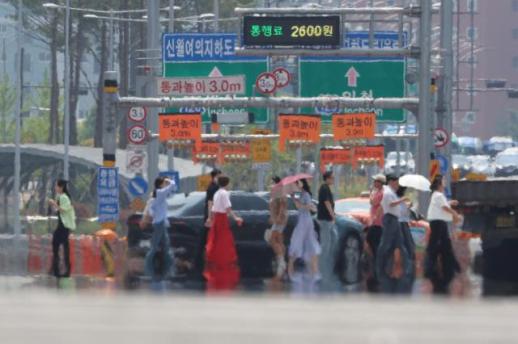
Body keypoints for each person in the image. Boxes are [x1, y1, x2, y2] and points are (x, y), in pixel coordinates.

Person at [425, 174, 461, 294]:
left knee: (445, 245)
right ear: (440, 184)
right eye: (444, 182)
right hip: (438, 223)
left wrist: (450, 202)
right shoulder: (438, 195)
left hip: (440, 222)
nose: (445, 184)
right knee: (434, 247)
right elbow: (444, 207)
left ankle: (452, 267)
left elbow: (443, 205)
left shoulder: (437, 195)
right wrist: (454, 213)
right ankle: (430, 270)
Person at [377, 174, 410, 293]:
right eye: (395, 182)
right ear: (390, 181)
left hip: (394, 220)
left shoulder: (391, 192)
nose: (397, 185)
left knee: (400, 244)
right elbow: (390, 205)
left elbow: (382, 206)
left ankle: (406, 268)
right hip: (390, 219)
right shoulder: (387, 192)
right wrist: (402, 199)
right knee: (385, 245)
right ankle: (379, 268)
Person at [205, 175, 243, 271]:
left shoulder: (217, 193)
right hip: (222, 219)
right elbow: (228, 209)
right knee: (225, 241)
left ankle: (216, 263)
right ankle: (224, 263)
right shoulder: (224, 193)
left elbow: (213, 209)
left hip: (217, 218)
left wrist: (211, 219)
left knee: (216, 241)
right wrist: (236, 218)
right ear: (227, 183)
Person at [288, 179, 321, 279]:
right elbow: (306, 207)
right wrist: (294, 198)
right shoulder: (302, 194)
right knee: (304, 244)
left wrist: (294, 199)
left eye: (298, 183)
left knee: (306, 245)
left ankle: (313, 272)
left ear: (302, 184)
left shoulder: (306, 194)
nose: (296, 185)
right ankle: (293, 271)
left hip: (305, 222)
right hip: (304, 221)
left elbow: (307, 207)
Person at [144, 176, 176, 280]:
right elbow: (173, 186)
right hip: (159, 223)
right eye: (163, 183)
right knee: (154, 247)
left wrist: (154, 214)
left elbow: (151, 208)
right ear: (160, 184)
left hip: (160, 222)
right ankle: (148, 269)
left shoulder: (157, 194)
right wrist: (169, 180)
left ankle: (168, 268)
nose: (165, 184)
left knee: (166, 246)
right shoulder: (160, 192)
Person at [48, 179, 76, 278]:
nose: (55, 188)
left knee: (60, 245)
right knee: (60, 246)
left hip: (64, 226)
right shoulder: (59, 196)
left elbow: (64, 209)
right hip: (62, 225)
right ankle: (56, 269)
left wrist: (54, 203)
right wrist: (54, 204)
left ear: (61, 187)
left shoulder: (64, 197)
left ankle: (60, 269)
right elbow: (57, 210)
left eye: (56, 186)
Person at [196, 169, 222, 272]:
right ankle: (203, 262)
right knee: (207, 240)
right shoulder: (213, 187)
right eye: (219, 176)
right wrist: (210, 217)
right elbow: (211, 203)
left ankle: (201, 261)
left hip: (211, 216)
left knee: (205, 240)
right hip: (212, 217)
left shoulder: (213, 186)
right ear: (215, 176)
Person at [366, 174, 386, 290]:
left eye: (375, 181)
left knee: (375, 246)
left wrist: (371, 192)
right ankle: (375, 268)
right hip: (375, 223)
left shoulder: (381, 193)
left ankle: (378, 270)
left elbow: (373, 203)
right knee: (372, 244)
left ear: (380, 182)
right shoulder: (378, 192)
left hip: (377, 224)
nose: (374, 183)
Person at [317, 171, 337, 278]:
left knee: (332, 238)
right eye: (332, 178)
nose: (333, 180)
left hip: (327, 219)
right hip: (325, 219)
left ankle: (328, 261)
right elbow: (327, 202)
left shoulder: (326, 188)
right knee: (326, 242)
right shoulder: (324, 188)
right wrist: (333, 215)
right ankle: (322, 265)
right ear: (327, 178)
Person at [396, 186, 416, 293]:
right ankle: (406, 268)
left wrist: (408, 207)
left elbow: (405, 213)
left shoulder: (401, 201)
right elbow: (401, 214)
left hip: (404, 224)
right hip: (401, 225)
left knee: (409, 246)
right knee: (407, 246)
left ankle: (407, 267)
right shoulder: (398, 200)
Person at [268, 176, 288, 278]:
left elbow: (283, 206)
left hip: (280, 220)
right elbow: (273, 207)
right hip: (276, 219)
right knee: (279, 240)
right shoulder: (275, 192)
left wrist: (278, 218)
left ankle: (281, 261)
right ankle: (282, 263)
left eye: (272, 182)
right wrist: (272, 217)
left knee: (272, 239)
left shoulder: (281, 192)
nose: (270, 184)